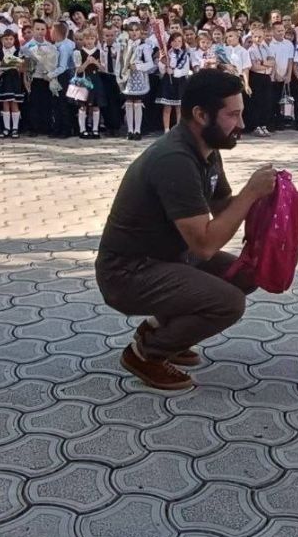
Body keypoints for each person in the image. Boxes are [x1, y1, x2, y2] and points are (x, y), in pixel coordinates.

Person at [95, 69, 276, 390]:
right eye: (232, 115)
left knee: (246, 273)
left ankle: (157, 330)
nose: (242, 125)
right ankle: (145, 354)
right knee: (229, 303)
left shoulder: (207, 148)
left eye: (241, 114)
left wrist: (266, 211)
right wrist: (250, 193)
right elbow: (205, 244)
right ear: (200, 115)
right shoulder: (174, 158)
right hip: (127, 272)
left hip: (167, 258)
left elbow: (223, 208)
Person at [118, 20, 155, 141]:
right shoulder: (124, 45)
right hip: (127, 77)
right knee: (128, 102)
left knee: (138, 102)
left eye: (136, 30)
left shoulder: (144, 46)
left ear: (140, 32)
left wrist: (138, 67)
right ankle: (130, 130)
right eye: (131, 30)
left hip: (139, 77)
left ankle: (137, 130)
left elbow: (150, 63)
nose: (134, 33)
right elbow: (119, 61)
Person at [157, 31, 191, 133]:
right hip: (168, 82)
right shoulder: (167, 53)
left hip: (180, 82)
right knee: (167, 107)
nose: (177, 43)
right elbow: (161, 69)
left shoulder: (184, 54)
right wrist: (163, 64)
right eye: (174, 41)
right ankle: (166, 130)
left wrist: (174, 71)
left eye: (179, 41)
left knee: (179, 107)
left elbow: (185, 69)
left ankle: (178, 129)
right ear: (170, 42)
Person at [0, 28, 25, 138]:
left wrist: (19, 65)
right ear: (2, 40)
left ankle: (15, 128)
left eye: (11, 39)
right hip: (3, 78)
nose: (8, 41)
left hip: (14, 79)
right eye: (6, 39)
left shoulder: (18, 51)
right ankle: (6, 128)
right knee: (5, 103)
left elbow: (22, 67)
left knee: (14, 102)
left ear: (14, 40)